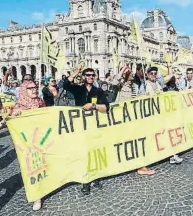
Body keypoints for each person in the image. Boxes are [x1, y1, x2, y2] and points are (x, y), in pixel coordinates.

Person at [63, 66, 109, 195]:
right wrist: (75, 72)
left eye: (93, 75)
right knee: (83, 153)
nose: (90, 77)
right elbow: (65, 84)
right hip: (80, 125)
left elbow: (106, 107)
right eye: (88, 75)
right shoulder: (78, 89)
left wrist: (93, 106)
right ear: (83, 77)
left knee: (95, 150)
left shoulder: (98, 91)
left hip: (94, 125)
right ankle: (86, 181)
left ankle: (96, 177)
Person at [111, 65, 155, 175]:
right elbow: (114, 82)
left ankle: (140, 166)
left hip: (132, 119)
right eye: (128, 73)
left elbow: (139, 98)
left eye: (131, 72)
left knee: (136, 141)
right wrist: (122, 70)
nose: (130, 74)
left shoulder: (135, 86)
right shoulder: (120, 86)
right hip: (121, 119)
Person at [12, 80, 46, 210]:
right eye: (30, 88)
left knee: (44, 164)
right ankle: (37, 197)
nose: (34, 90)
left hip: (42, 139)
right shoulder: (19, 106)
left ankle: (46, 186)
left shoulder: (40, 102)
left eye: (35, 87)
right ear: (24, 90)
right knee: (33, 167)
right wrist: (15, 115)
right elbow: (12, 122)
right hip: (28, 143)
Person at [163, 75, 183, 164]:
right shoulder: (165, 90)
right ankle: (173, 155)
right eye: (171, 80)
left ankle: (174, 154)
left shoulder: (176, 89)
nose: (172, 81)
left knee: (174, 134)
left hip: (175, 115)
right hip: (168, 116)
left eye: (173, 79)